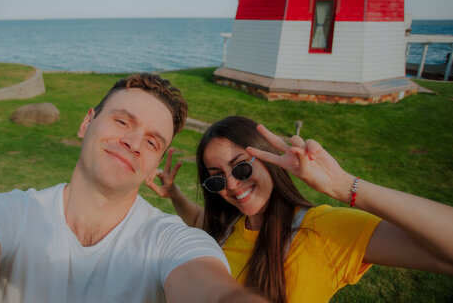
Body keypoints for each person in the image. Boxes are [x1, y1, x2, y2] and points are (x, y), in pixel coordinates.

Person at [0, 75, 268, 303]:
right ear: (86, 123)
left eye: (151, 141)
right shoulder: (6, 213)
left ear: (155, 162)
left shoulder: (171, 240)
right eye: (122, 122)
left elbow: (212, 292)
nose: (133, 142)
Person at [147, 115, 453, 303]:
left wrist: (343, 185)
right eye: (216, 179)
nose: (231, 185)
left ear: (268, 159)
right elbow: (200, 219)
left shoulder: (323, 229)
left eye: (240, 168)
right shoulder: (228, 228)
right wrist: (174, 194)